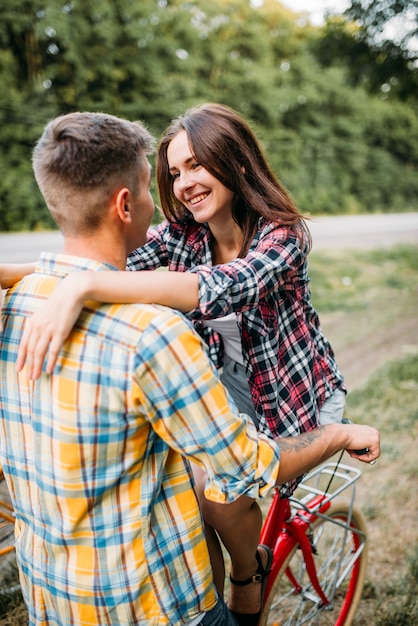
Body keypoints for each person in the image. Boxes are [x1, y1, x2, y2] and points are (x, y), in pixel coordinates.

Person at [0, 112, 380, 626]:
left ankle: (249, 574)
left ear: (235, 162)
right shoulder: (182, 236)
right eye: (174, 172)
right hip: (224, 389)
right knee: (188, 505)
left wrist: (82, 287)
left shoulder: (283, 237)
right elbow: (114, 267)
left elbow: (213, 288)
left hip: (291, 400)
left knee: (215, 488)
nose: (184, 184)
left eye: (196, 165)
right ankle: (214, 594)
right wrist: (40, 277)